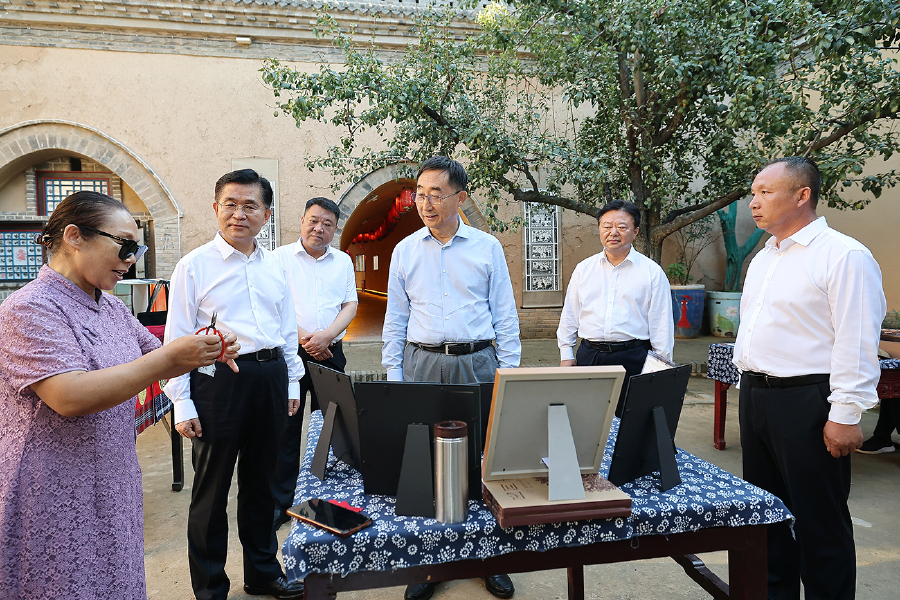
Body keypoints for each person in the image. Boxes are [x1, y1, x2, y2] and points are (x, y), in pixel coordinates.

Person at [0, 191, 236, 598]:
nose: (131, 259)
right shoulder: (30, 308)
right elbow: (68, 395)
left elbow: (156, 355)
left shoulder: (110, 308)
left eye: (137, 249)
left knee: (114, 579)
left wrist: (206, 346)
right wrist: (170, 359)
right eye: (124, 246)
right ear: (74, 236)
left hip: (111, 477)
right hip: (53, 486)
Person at [733, 157, 886, 600]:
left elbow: (856, 339)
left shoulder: (844, 255)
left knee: (820, 522)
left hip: (807, 401)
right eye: (753, 193)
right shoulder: (766, 257)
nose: (754, 202)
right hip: (757, 397)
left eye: (765, 192)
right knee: (768, 515)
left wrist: (846, 413)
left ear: (803, 195)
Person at [382, 156, 521, 600]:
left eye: (436, 194)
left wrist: (508, 374)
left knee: (483, 462)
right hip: (421, 363)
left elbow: (505, 314)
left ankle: (489, 559)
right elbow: (395, 318)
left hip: (476, 362)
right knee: (426, 464)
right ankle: (430, 564)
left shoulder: (487, 247)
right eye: (420, 194)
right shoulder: (405, 251)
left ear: (460, 198)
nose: (425, 203)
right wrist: (394, 374)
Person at [164, 169, 306, 600]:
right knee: (212, 489)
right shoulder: (193, 266)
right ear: (216, 208)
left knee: (263, 484)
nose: (238, 214)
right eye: (230, 204)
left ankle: (262, 572)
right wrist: (182, 402)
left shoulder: (275, 265)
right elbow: (176, 340)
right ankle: (210, 588)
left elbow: (286, 328)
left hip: (270, 377)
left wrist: (291, 383)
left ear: (266, 214)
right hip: (217, 381)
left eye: (249, 206)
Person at [271, 196, 358, 528]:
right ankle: (281, 501)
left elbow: (350, 305)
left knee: (336, 424)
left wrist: (327, 337)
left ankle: (333, 495)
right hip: (290, 353)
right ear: (302, 220)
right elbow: (272, 306)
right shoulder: (279, 259)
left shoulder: (343, 261)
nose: (319, 228)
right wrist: (307, 339)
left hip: (331, 353)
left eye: (327, 224)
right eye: (313, 220)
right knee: (287, 427)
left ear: (335, 229)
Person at [557, 199, 673, 414]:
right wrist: (566, 354)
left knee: (632, 420)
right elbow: (570, 315)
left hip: (633, 357)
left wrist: (660, 367)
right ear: (599, 229)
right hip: (590, 357)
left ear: (635, 231)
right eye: (607, 226)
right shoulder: (584, 269)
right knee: (586, 417)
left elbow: (661, 325)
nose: (613, 232)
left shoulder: (651, 272)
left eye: (621, 227)